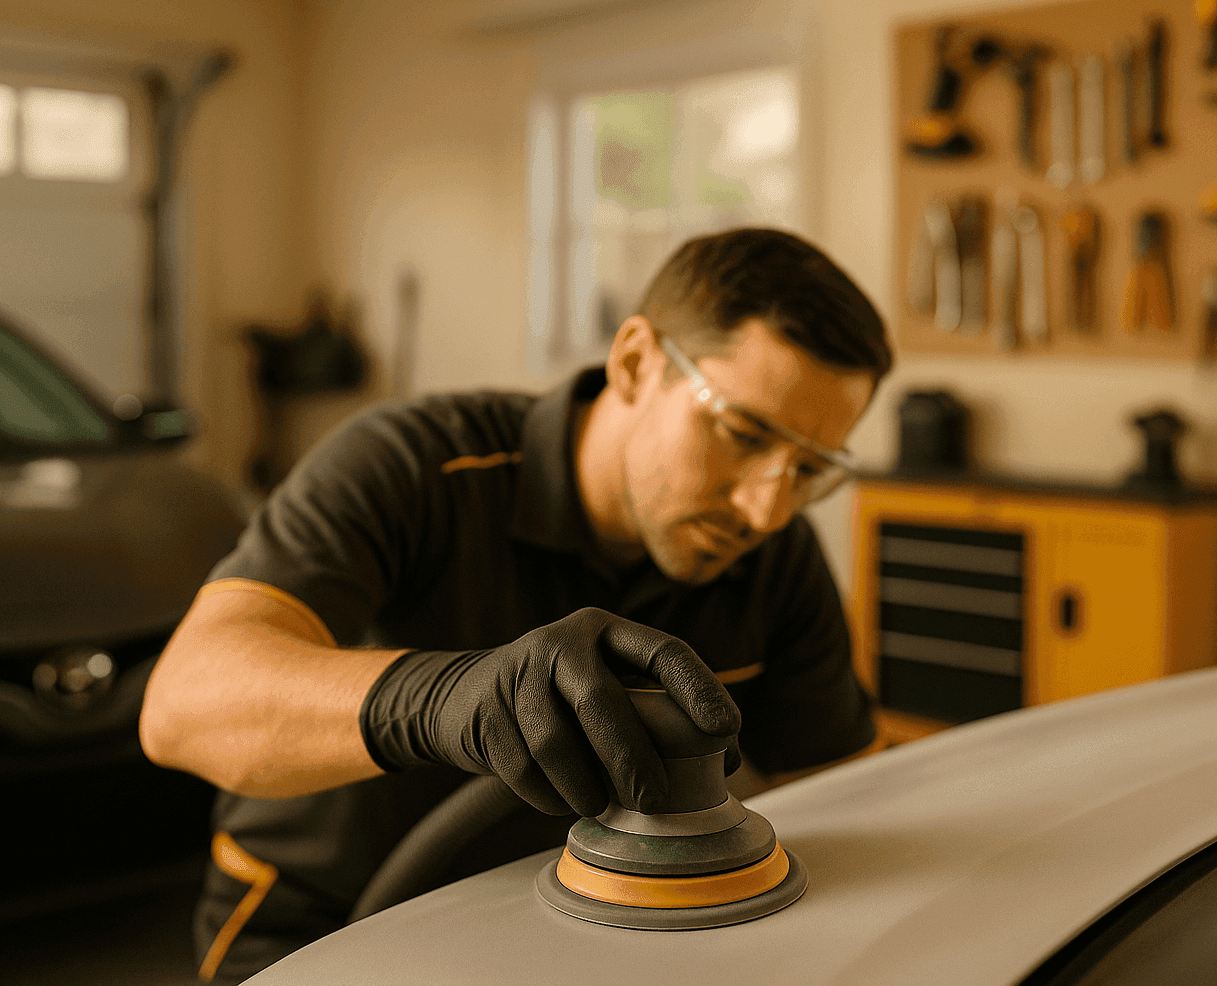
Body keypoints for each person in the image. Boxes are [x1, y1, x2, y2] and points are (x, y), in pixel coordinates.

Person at [139, 227, 893, 983]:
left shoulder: (771, 553)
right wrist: (439, 699)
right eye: (742, 433)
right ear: (636, 363)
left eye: (809, 469)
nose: (766, 508)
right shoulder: (413, 465)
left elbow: (854, 805)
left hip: (578, 935)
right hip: (327, 925)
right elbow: (181, 707)